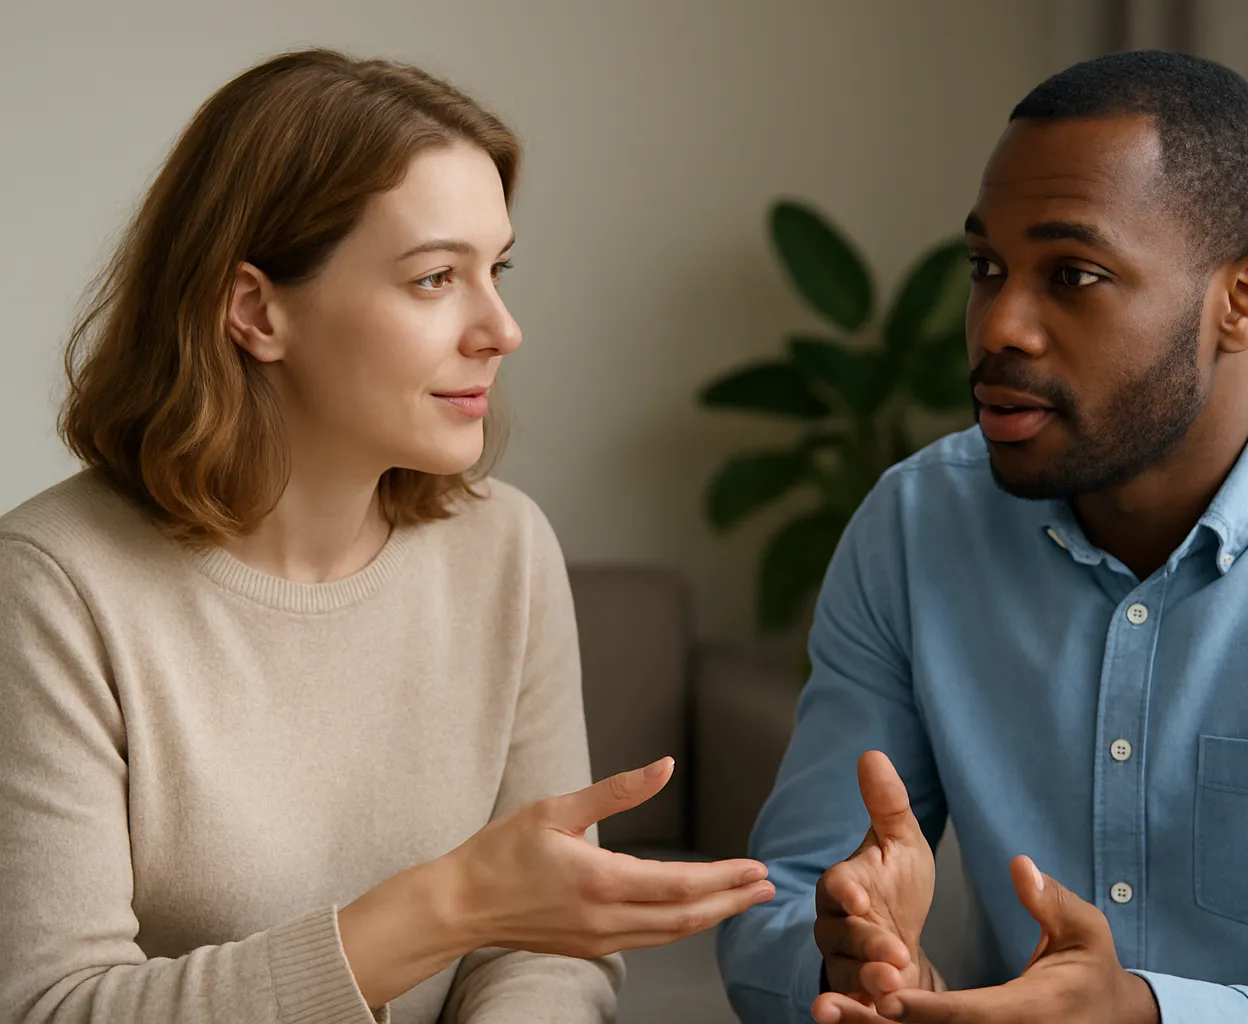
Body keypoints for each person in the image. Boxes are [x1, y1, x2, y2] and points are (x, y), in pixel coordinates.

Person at [717, 50, 1248, 1024]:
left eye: (1074, 275)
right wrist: (859, 967)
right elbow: (782, 898)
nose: (1000, 326)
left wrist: (1147, 1012)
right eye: (986, 269)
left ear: (1246, 301)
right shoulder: (914, 526)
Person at [0, 49, 774, 1024]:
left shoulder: (506, 549)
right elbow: (51, 1006)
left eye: (497, 269)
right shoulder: (51, 588)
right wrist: (448, 905)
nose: (501, 328)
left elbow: (539, 953)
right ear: (256, 312)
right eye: (436, 278)